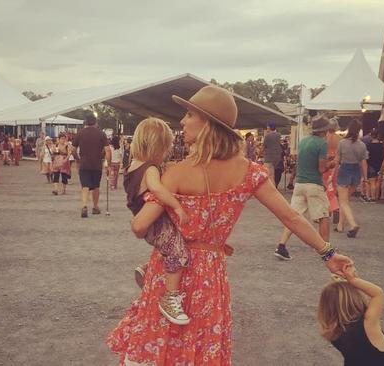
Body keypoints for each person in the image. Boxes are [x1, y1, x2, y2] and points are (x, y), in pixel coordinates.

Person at [107, 86, 353, 364]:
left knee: (159, 345)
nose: (183, 122)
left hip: (170, 274)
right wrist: (328, 254)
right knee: (202, 349)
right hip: (211, 276)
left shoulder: (176, 173)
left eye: (189, 114)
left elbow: (140, 226)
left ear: (208, 124)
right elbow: (292, 217)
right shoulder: (250, 172)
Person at [124, 118, 190, 325]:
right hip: (155, 223)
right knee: (179, 253)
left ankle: (147, 268)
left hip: (147, 225)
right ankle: (170, 298)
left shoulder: (133, 166)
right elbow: (157, 189)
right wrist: (177, 206)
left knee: (168, 248)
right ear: (158, 146)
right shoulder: (150, 169)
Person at [273, 116, 337, 261]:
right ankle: (326, 251)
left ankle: (281, 246)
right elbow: (321, 169)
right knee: (323, 216)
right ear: (324, 130)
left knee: (293, 217)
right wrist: (331, 164)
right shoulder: (322, 143)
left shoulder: (303, 142)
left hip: (299, 184)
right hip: (313, 184)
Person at [318, 265, 384, 366]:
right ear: (355, 297)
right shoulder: (368, 324)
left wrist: (340, 288)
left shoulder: (332, 331)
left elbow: (338, 304)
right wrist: (353, 279)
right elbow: (378, 293)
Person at [72, 114, 111, 218]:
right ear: (96, 122)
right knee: (96, 186)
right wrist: (109, 164)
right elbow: (108, 150)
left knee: (85, 186)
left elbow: (72, 149)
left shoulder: (80, 133)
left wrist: (77, 159)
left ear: (86, 122)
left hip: (84, 164)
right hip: (97, 164)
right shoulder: (101, 134)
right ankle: (95, 207)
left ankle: (84, 206)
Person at [335, 120, 368, 238]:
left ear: (349, 129)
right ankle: (340, 225)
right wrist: (365, 178)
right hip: (356, 173)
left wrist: (332, 175)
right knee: (346, 201)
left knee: (343, 201)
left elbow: (337, 161)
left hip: (344, 170)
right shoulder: (362, 145)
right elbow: (364, 163)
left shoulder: (342, 143)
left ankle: (353, 224)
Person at [366, 129, 384, 202]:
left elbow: (366, 156)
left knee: (372, 182)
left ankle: (372, 197)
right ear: (378, 136)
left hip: (371, 165)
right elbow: (383, 156)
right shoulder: (381, 145)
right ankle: (377, 196)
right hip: (379, 165)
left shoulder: (369, 145)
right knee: (378, 181)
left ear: (371, 136)